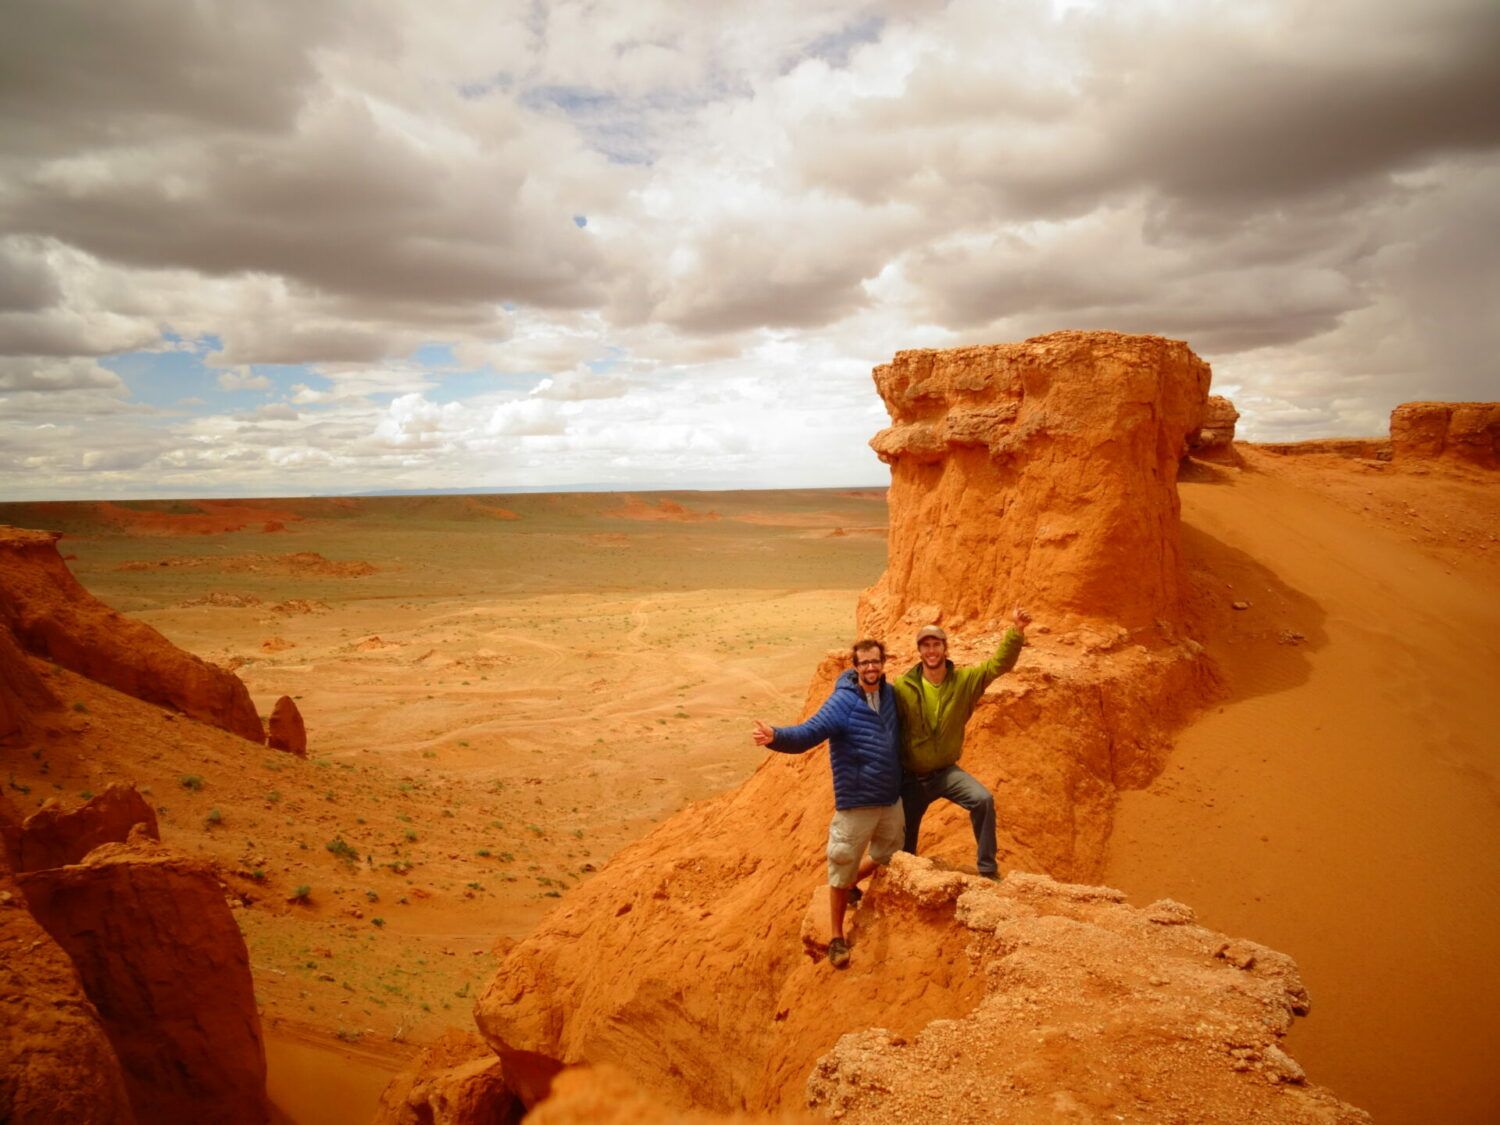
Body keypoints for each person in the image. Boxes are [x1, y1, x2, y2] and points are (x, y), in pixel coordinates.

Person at [752, 638, 902, 969]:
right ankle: (836, 937)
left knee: (888, 854)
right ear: (855, 667)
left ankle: (851, 885)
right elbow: (809, 733)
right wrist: (776, 736)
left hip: (890, 799)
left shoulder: (890, 695)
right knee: (842, 863)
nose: (870, 668)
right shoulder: (843, 702)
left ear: (883, 663)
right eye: (863, 663)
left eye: (875, 662)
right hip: (856, 803)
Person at [893, 607, 1029, 880]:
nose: (931, 651)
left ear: (945, 648)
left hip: (945, 772)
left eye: (936, 644)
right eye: (926, 646)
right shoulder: (902, 686)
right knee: (903, 852)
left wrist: (1016, 632)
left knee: (983, 800)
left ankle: (988, 870)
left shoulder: (965, 681)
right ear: (919, 651)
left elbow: (997, 666)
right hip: (911, 780)